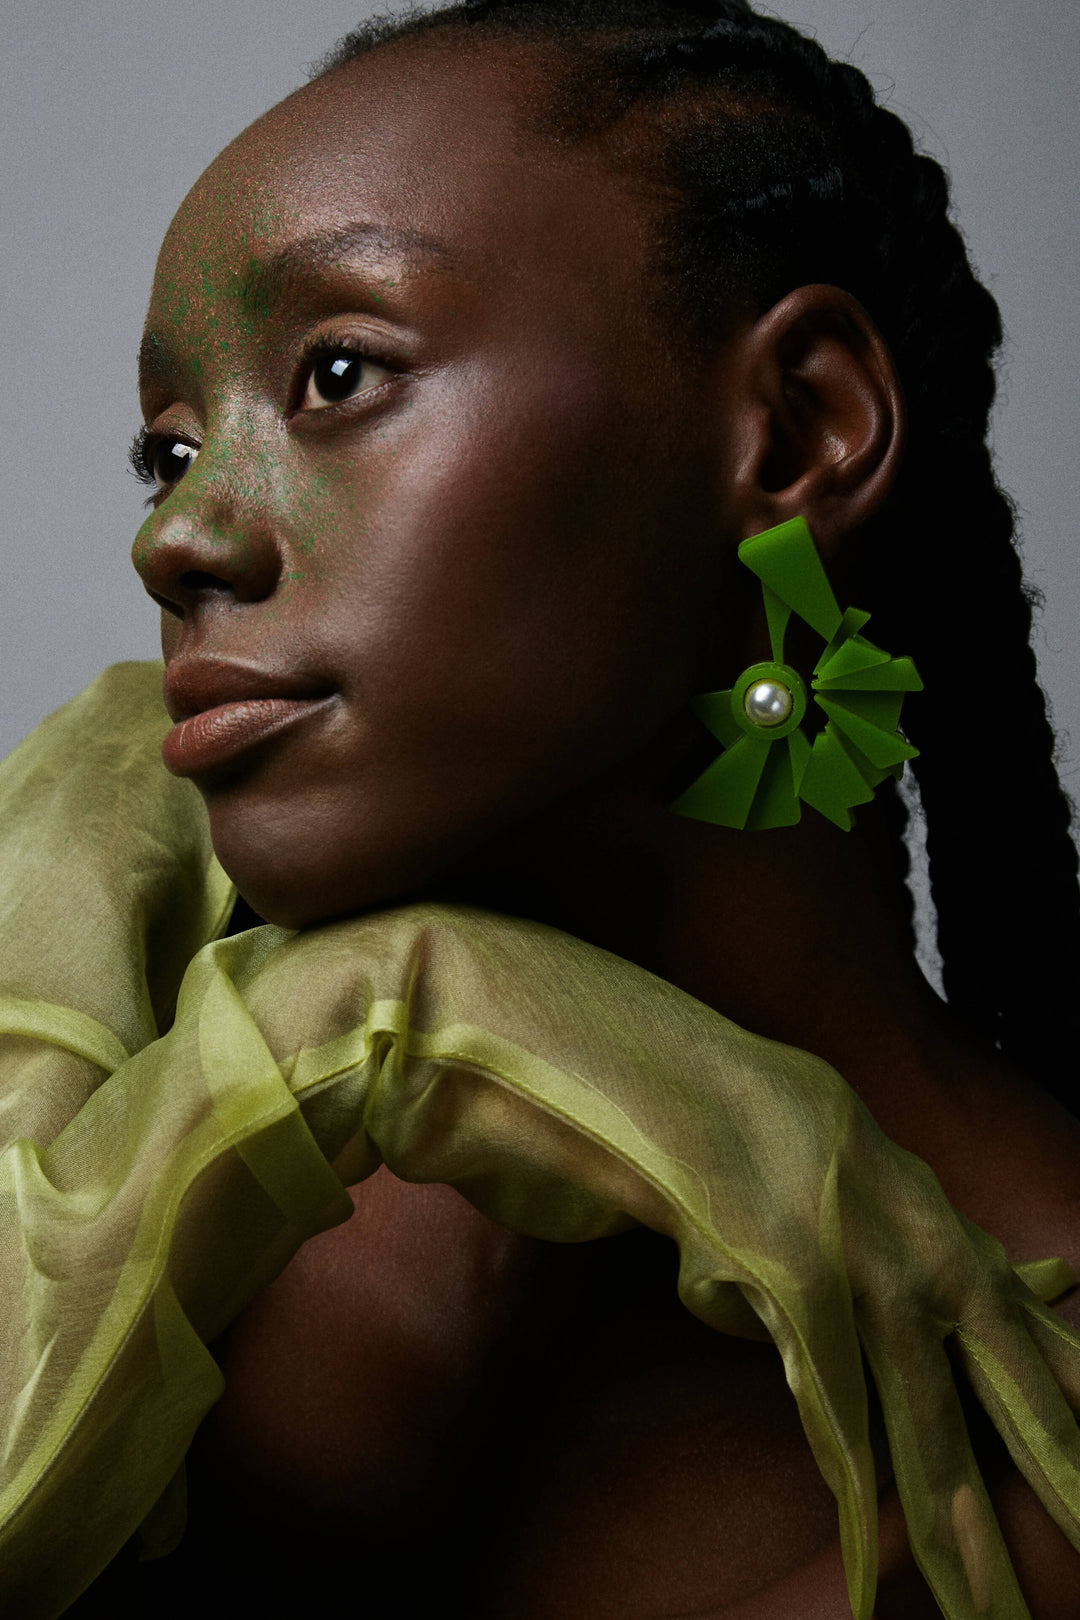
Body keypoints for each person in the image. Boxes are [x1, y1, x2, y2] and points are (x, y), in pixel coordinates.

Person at [3, 2, 1080, 1616]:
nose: (177, 541)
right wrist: (370, 1016)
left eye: (338, 374)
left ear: (795, 432)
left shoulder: (1026, 1437)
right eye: (167, 450)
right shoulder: (136, 977)